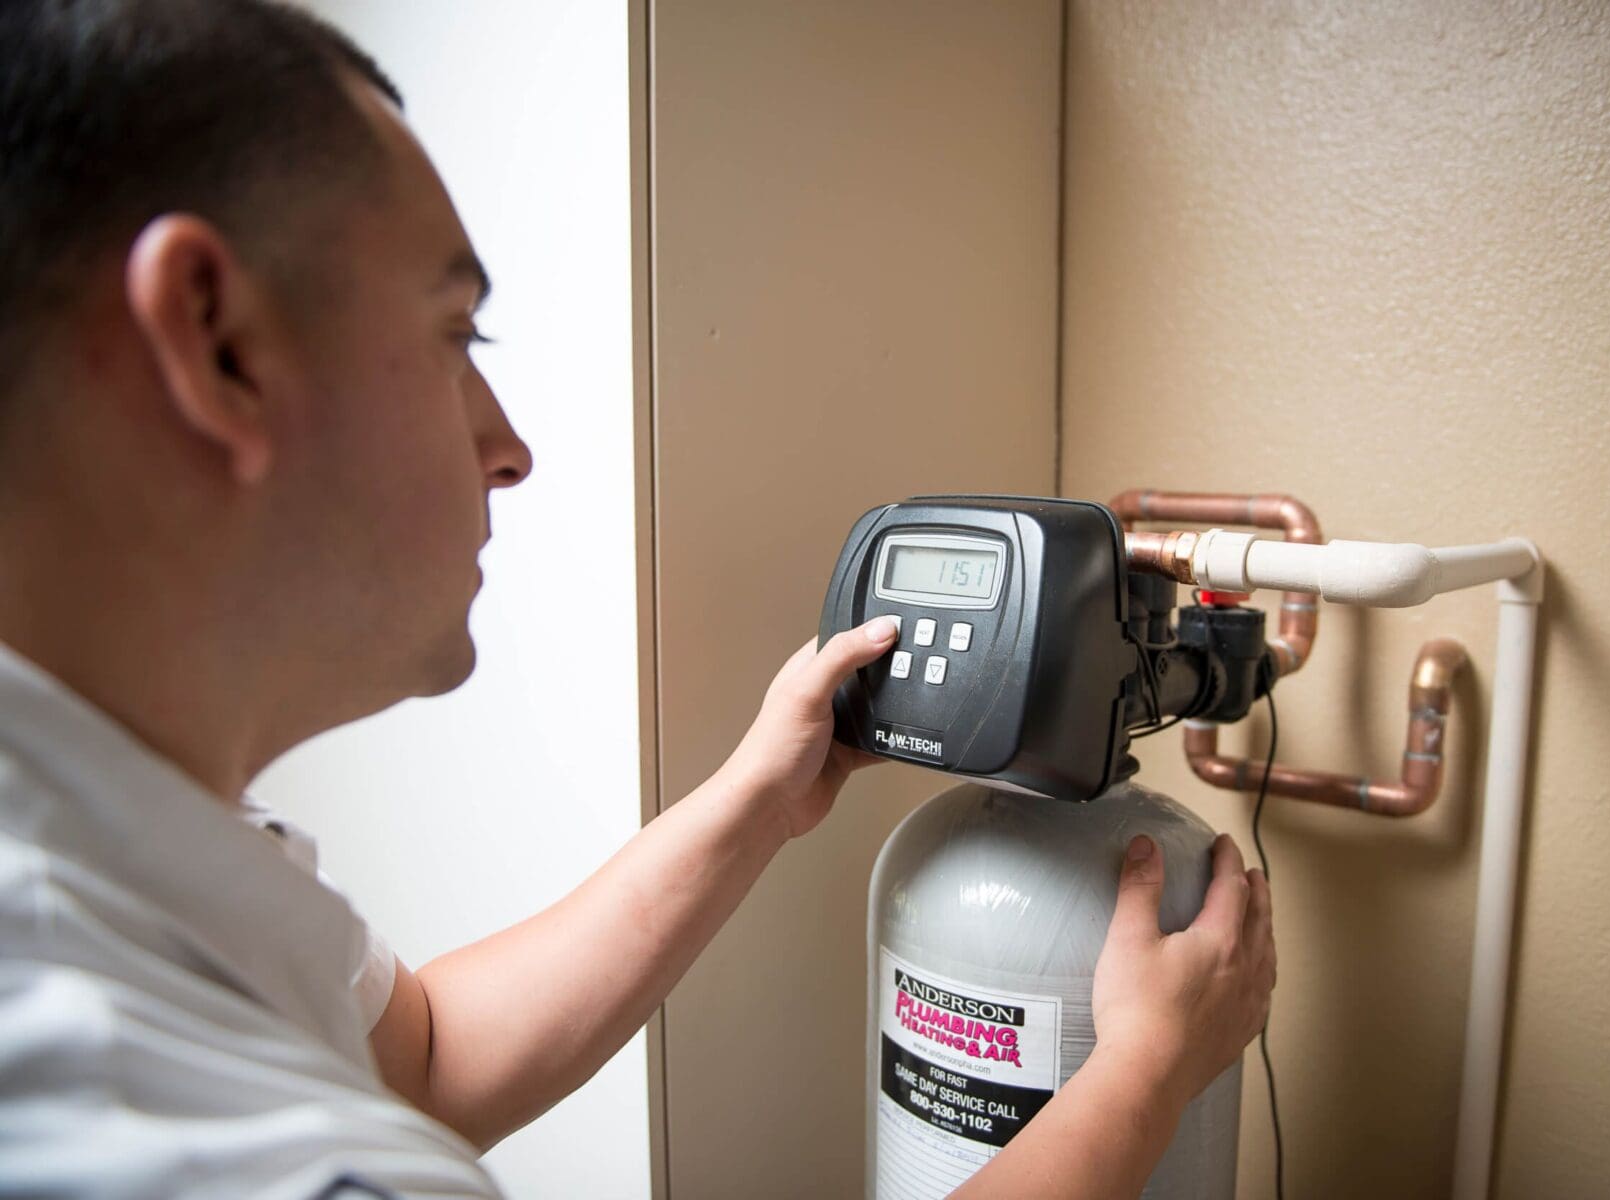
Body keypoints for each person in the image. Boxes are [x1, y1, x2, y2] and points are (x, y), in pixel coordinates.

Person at [0, 2, 1276, 1196]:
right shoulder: (165, 1133)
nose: (508, 447)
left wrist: (752, 804)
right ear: (216, 340)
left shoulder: (123, 864)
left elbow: (428, 1059)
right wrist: (1149, 1070)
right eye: (458, 338)